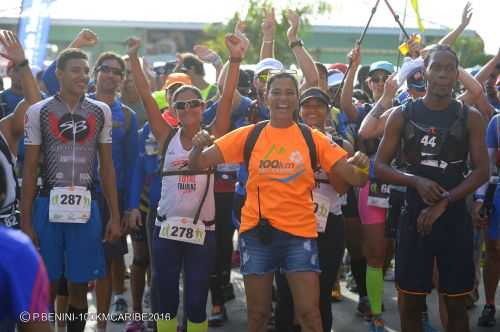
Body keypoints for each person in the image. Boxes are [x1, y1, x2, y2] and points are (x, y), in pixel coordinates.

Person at [189, 67, 369, 332]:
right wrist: (196, 146)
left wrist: (362, 166)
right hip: (257, 235)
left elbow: (356, 179)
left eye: (289, 93)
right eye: (276, 92)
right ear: (265, 98)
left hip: (300, 235)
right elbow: (198, 164)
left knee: (310, 314)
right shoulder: (249, 134)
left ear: (297, 98)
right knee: (259, 316)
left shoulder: (313, 138)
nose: (282, 99)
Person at [127, 31, 245, 332]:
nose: (189, 108)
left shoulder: (213, 135)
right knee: (164, 297)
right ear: (173, 112)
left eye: (195, 103)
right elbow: (144, 95)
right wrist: (132, 59)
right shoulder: (166, 137)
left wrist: (234, 59)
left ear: (203, 107)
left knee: (195, 298)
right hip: (165, 226)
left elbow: (228, 97)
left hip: (202, 230)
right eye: (181, 105)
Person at [375, 44, 489, 332]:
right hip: (414, 217)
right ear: (424, 71)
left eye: (449, 68)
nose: (442, 74)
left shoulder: (470, 117)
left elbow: (482, 170)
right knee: (411, 304)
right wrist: (415, 181)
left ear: (457, 74)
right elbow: (379, 166)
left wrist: (446, 200)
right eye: (436, 67)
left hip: (454, 220)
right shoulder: (402, 114)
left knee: (456, 306)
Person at [21, 46, 122, 332]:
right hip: (47, 203)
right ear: (59, 73)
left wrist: (114, 215)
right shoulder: (38, 111)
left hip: (86, 206)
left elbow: (107, 167)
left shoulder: (101, 111)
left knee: (79, 285)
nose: (83, 76)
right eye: (76, 70)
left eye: (86, 71)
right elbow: (29, 169)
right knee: (47, 283)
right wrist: (26, 221)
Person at [275, 87, 354, 332]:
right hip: (290, 225)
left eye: (318, 105)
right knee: (287, 294)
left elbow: (341, 188)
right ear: (299, 109)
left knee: (320, 296)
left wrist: (324, 149)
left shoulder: (342, 145)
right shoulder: (284, 139)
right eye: (307, 105)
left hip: (328, 224)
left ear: (328, 111)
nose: (312, 110)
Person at [127, 74, 191, 332]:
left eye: (186, 95)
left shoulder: (199, 129)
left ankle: (184, 321)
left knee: (189, 272)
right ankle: (148, 318)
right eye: (173, 93)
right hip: (153, 208)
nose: (180, 100)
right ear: (167, 98)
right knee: (152, 267)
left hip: (190, 212)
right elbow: (138, 170)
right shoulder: (149, 129)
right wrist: (132, 206)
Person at [341, 45, 395, 330]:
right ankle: (370, 302)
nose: (380, 81)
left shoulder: (404, 108)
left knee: (388, 250)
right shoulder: (363, 110)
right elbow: (345, 101)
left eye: (386, 77)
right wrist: (352, 66)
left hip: (398, 188)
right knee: (365, 248)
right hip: (366, 186)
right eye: (375, 77)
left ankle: (374, 294)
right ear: (368, 82)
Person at [472, 112, 500, 327]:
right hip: (498, 195)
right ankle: (489, 304)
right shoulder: (497, 122)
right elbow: (487, 165)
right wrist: (481, 198)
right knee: (494, 252)